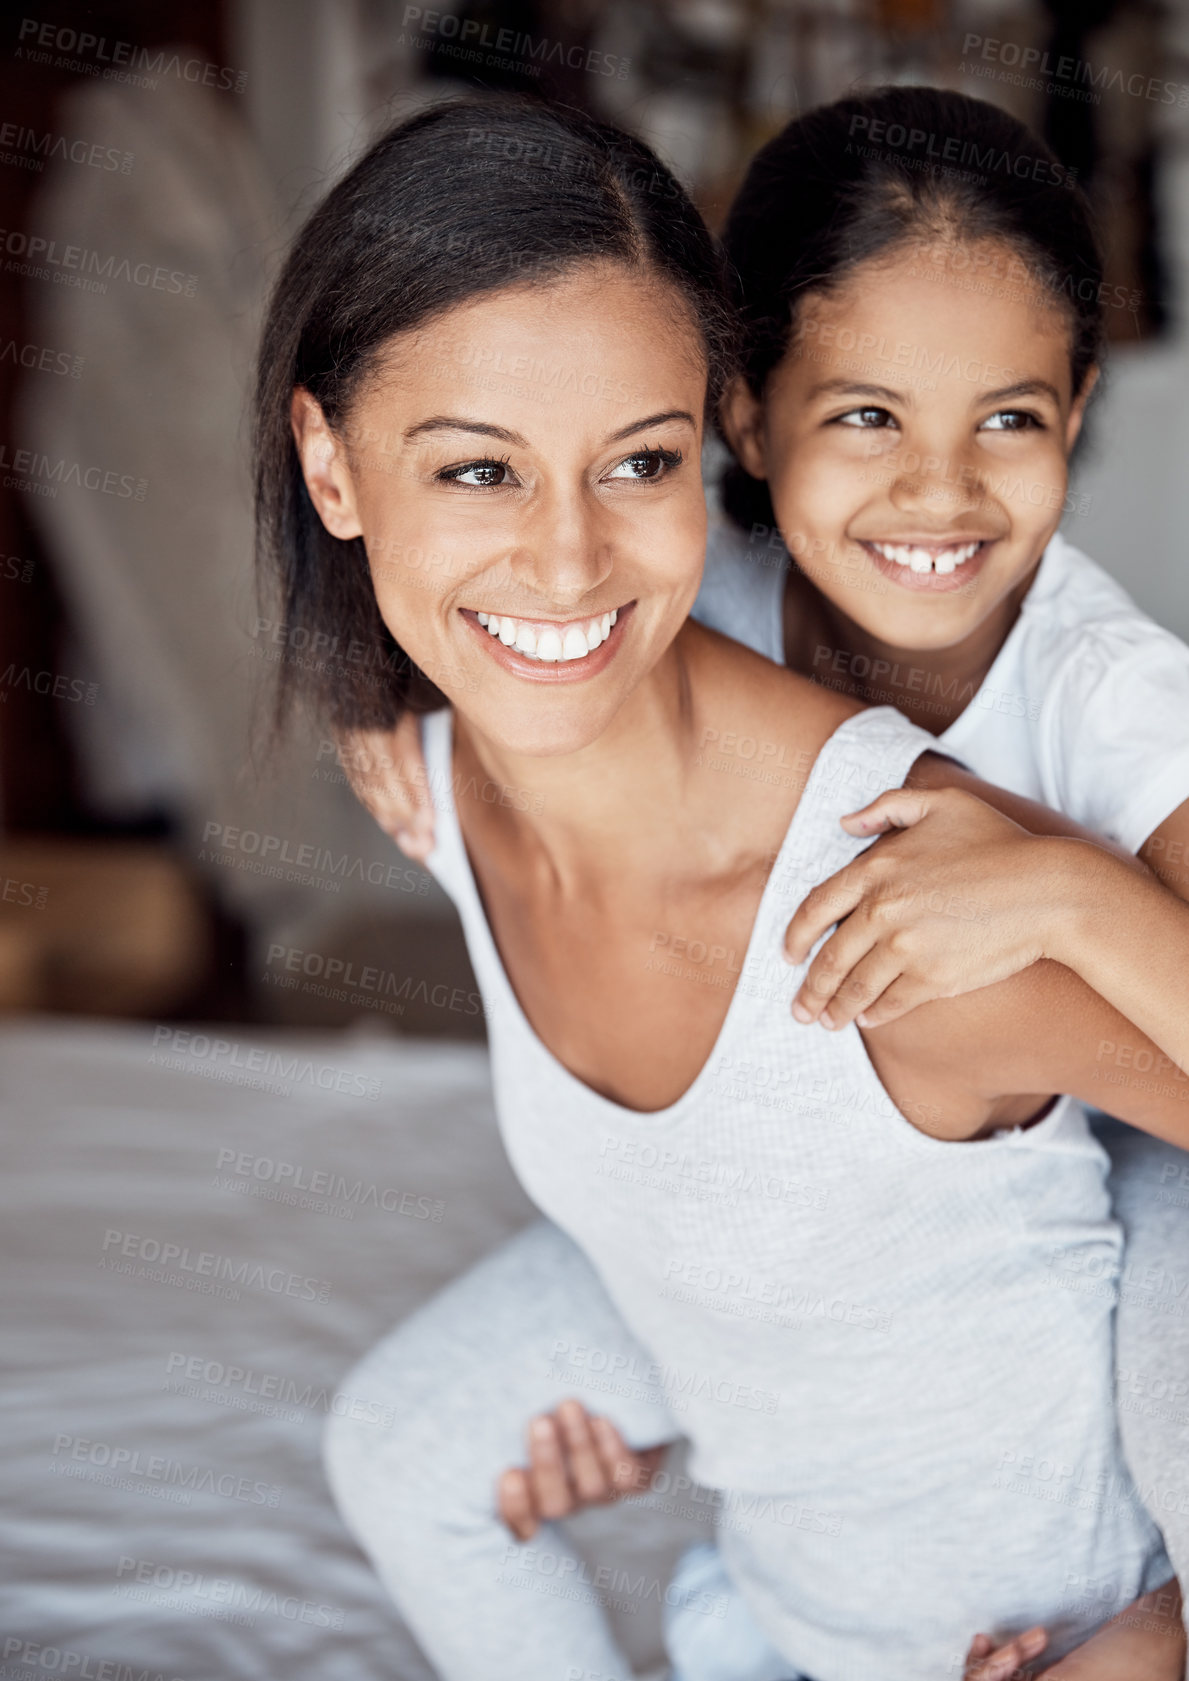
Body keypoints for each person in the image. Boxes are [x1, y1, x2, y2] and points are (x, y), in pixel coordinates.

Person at [259, 94, 1189, 1678]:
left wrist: (1072, 895)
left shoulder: (1020, 785)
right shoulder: (464, 741)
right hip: (795, 1308)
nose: (564, 566)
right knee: (408, 1442)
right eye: (479, 472)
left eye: (633, 461)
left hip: (1103, 1200)